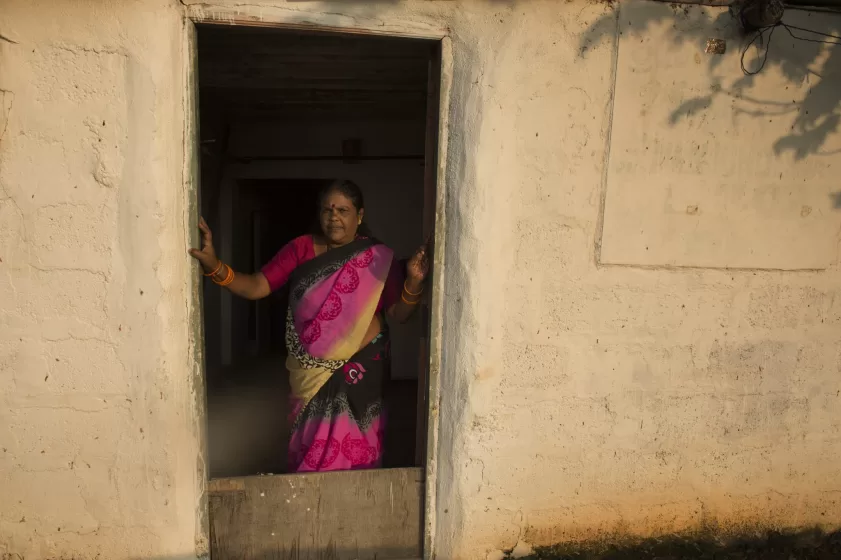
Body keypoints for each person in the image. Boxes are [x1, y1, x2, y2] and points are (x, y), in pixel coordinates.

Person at [189, 180, 429, 472]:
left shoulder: (378, 258)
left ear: (359, 215)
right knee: (311, 452)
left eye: (343, 210)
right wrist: (215, 266)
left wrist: (414, 281)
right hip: (309, 373)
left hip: (362, 369)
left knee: (357, 449)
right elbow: (257, 286)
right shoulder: (300, 248)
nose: (334, 217)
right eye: (327, 210)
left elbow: (399, 313)